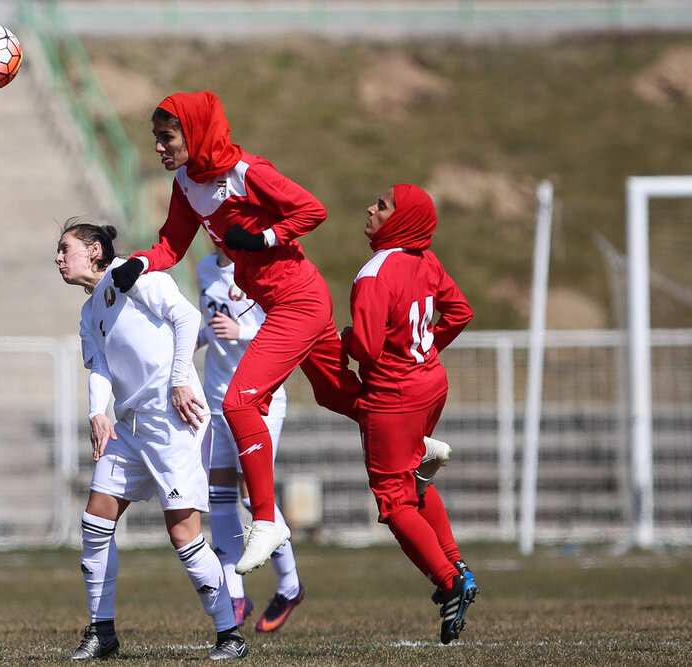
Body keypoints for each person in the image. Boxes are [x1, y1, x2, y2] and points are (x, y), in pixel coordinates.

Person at [110, 90, 366, 575]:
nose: (159, 148)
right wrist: (138, 264)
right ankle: (414, 441)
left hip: (299, 299)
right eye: (155, 139)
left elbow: (313, 210)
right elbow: (172, 243)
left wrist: (265, 237)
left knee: (237, 404)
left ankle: (267, 521)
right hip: (279, 302)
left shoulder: (246, 172)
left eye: (167, 138)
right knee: (337, 395)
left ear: (196, 134)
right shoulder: (186, 181)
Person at [55, 219, 248, 660]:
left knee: (184, 535)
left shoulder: (133, 275)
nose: (58, 258)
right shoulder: (89, 312)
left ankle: (229, 634)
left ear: (96, 250)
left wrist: (181, 380)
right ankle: (102, 631)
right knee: (95, 522)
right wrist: (96, 414)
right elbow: (100, 368)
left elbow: (187, 316)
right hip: (129, 427)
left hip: (173, 421)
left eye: (66, 248)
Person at [340, 185, 478, 645]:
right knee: (416, 479)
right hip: (430, 385)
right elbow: (458, 311)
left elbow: (365, 346)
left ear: (402, 219)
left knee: (392, 499)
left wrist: (340, 340)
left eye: (382, 204)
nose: (371, 207)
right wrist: (423, 351)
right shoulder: (426, 259)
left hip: (394, 397)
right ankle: (455, 561)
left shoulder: (376, 272)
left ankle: (448, 580)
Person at [196, 244, 304, 633]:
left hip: (260, 398)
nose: (216, 233)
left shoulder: (262, 271)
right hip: (215, 399)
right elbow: (211, 323)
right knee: (219, 498)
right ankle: (236, 595)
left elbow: (290, 327)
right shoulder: (205, 268)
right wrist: (198, 337)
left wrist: (240, 331)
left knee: (251, 495)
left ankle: (290, 585)